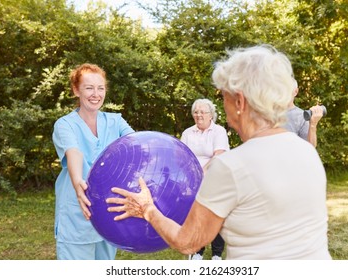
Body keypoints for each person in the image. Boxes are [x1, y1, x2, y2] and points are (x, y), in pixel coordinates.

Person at [105, 45, 332, 260]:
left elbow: (188, 242)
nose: (223, 105)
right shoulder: (306, 151)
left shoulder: (231, 166)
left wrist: (147, 209)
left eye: (224, 96)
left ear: (239, 101)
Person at [52, 63, 134, 260]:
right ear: (76, 90)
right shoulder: (65, 125)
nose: (95, 94)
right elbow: (74, 153)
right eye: (89, 88)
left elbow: (136, 145)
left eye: (101, 88)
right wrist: (78, 181)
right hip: (76, 214)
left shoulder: (116, 121)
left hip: (108, 212)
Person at [180, 98, 230, 260]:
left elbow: (219, 155)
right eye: (196, 112)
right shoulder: (188, 133)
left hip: (215, 178)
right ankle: (198, 251)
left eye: (202, 112)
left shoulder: (218, 131)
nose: (199, 115)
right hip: (193, 181)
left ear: (211, 115)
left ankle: (216, 254)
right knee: (197, 216)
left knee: (215, 215)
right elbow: (181, 156)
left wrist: (201, 171)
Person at [284, 79, 324, 147]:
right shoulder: (267, 113)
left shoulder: (302, 117)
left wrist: (313, 124)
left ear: (295, 91)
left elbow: (310, 148)